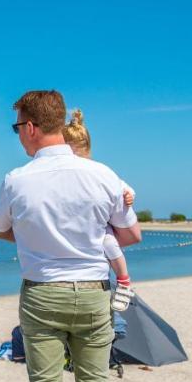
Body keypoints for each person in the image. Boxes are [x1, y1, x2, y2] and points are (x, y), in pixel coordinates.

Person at [0, 89, 141, 382]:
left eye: (18, 127)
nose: (18, 135)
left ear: (33, 128)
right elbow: (129, 234)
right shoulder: (102, 175)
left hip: (42, 292)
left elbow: (0, 230)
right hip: (94, 290)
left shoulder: (16, 179)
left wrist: (38, 239)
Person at [62, 109, 136, 311]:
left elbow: (124, 187)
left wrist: (129, 195)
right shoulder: (68, 174)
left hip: (101, 227)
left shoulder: (100, 173)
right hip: (82, 227)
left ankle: (124, 281)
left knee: (110, 244)